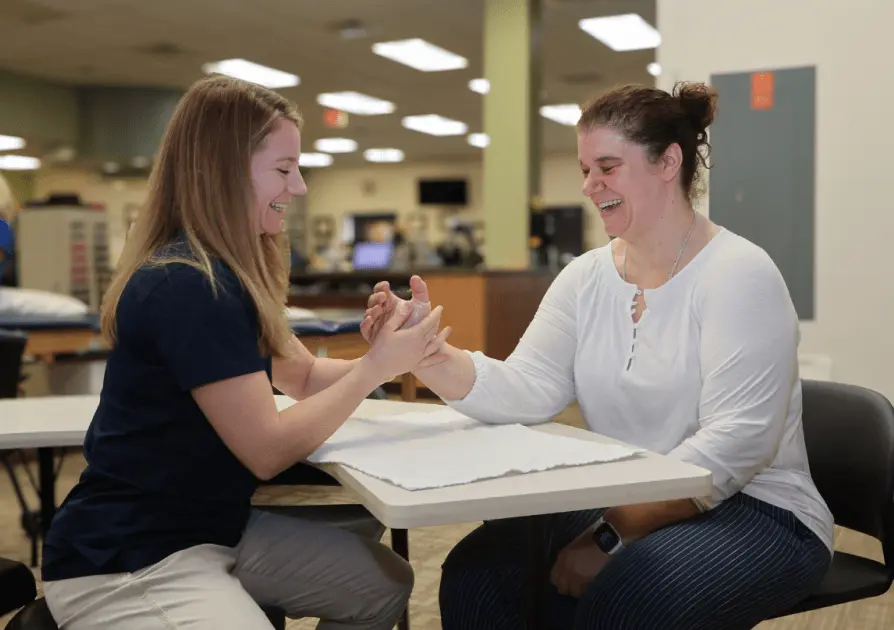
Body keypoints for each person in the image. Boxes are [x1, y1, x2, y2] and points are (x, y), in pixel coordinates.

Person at [360, 82, 834, 629]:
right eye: (586, 170)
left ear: (667, 162)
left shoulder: (738, 274)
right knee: (476, 573)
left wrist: (610, 536)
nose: (590, 185)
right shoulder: (586, 276)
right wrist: (426, 352)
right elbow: (528, 386)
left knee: (630, 599)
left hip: (759, 509)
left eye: (607, 166)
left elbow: (735, 447)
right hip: (630, 489)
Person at [40, 74, 448, 630]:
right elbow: (267, 450)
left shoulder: (227, 276)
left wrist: (389, 353)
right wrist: (376, 367)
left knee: (382, 585)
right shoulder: (187, 285)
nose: (299, 186)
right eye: (284, 170)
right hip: (129, 560)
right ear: (221, 172)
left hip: (208, 528)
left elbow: (302, 376)